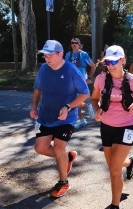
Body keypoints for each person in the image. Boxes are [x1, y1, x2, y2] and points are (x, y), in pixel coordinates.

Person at [90, 45, 133, 209]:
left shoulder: (132, 81)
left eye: (114, 61)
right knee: (113, 164)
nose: (110, 65)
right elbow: (94, 99)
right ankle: (131, 162)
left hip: (127, 126)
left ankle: (115, 208)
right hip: (107, 126)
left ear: (123, 61)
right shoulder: (101, 79)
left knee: (113, 169)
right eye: (108, 61)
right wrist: (96, 111)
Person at [30, 40, 90, 197]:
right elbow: (38, 88)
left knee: (58, 147)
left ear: (60, 54)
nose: (46, 59)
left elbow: (85, 93)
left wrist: (68, 107)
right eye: (45, 55)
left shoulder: (71, 69)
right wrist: (34, 107)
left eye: (50, 55)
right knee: (40, 148)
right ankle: (67, 157)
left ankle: (64, 182)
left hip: (66, 117)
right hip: (46, 114)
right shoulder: (43, 69)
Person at [65, 37, 96, 129]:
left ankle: (82, 118)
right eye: (72, 43)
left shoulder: (83, 55)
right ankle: (86, 111)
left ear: (80, 45)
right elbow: (65, 68)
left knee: (76, 101)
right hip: (70, 82)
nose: (74, 44)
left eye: (76, 43)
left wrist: (89, 78)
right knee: (74, 101)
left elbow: (93, 66)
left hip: (80, 82)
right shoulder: (68, 55)